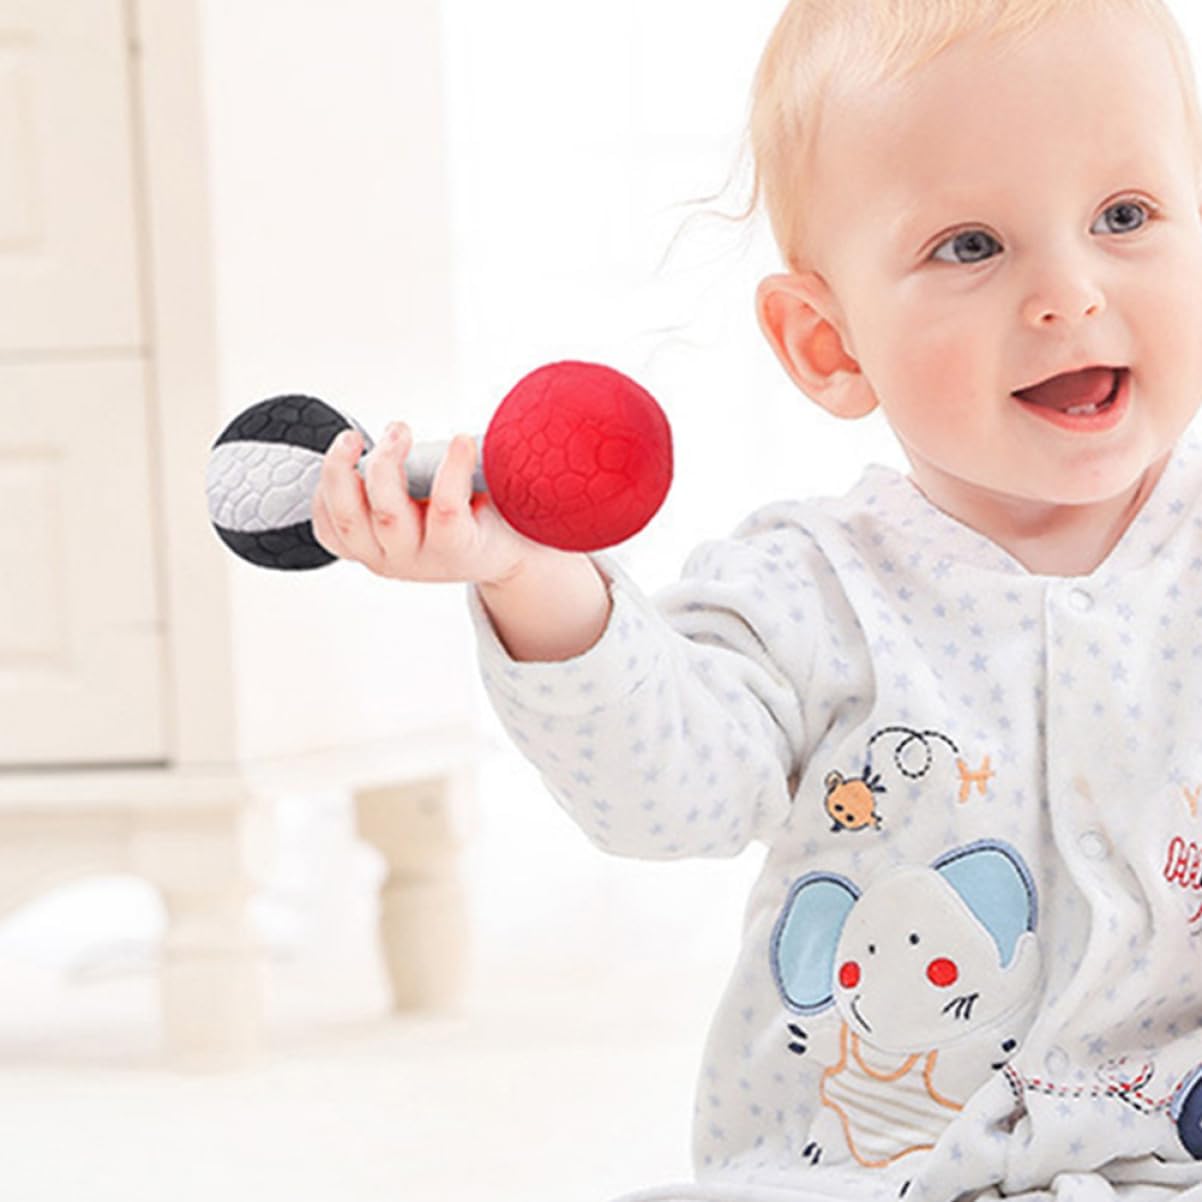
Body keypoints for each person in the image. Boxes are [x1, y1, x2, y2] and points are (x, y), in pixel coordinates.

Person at [310, 1, 1202, 1198]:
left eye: (1123, 217)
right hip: (873, 1167)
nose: (1067, 293)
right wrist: (531, 571)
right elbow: (658, 790)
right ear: (827, 343)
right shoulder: (806, 587)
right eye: (969, 246)